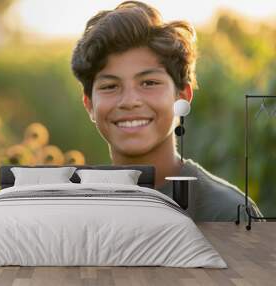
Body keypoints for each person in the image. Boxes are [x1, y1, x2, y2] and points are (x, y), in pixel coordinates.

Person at [70, 0, 262, 221]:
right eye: (110, 86)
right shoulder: (74, 214)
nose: (130, 101)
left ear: (182, 96)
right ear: (90, 105)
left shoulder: (227, 213)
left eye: (149, 83)